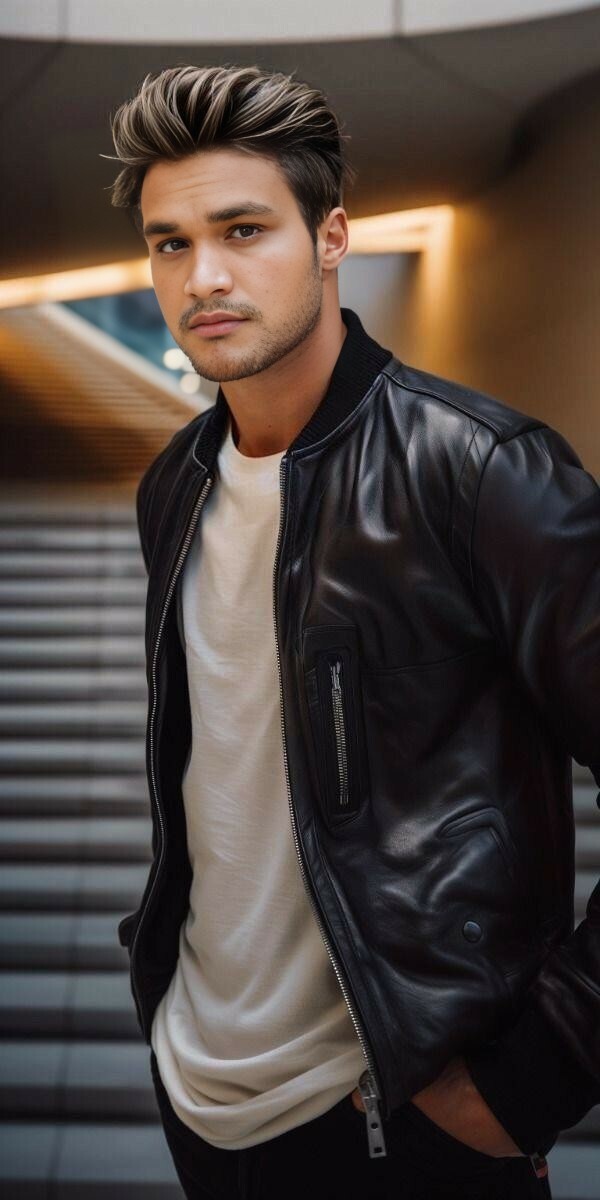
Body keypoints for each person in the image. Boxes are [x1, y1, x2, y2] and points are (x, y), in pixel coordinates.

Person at [107, 63, 600, 1199]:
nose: (203, 276)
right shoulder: (174, 486)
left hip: (405, 1118)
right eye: (171, 243)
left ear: (332, 237)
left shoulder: (481, 472)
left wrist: (535, 1073)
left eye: (243, 230)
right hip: (204, 1092)